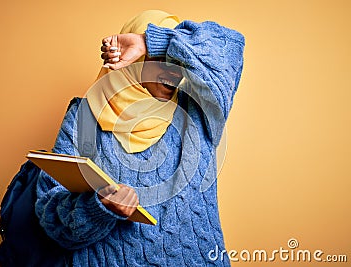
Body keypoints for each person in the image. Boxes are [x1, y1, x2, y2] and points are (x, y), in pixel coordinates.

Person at [35, 10, 244, 266]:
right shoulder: (84, 117)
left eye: (177, 61)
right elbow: (50, 216)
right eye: (159, 59)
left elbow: (232, 45)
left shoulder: (199, 110)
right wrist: (98, 208)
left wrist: (152, 42)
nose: (173, 72)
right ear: (133, 62)